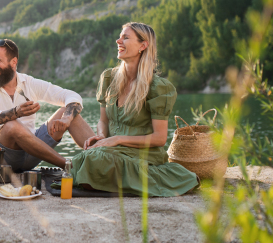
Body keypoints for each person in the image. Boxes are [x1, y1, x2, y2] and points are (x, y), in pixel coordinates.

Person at [72, 22, 199, 197]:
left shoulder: (157, 87)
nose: (118, 41)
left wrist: (117, 139)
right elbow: (103, 120)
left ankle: (154, 177)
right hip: (113, 151)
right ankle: (120, 181)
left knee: (94, 160)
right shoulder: (109, 78)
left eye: (125, 37)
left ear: (143, 45)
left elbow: (160, 138)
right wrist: (101, 136)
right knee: (82, 158)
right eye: (119, 36)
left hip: (143, 154)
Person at [0, 39, 95, 171]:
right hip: (4, 156)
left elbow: (71, 95)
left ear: (13, 62)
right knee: (11, 125)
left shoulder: (28, 82)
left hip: (33, 153)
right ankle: (68, 166)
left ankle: (102, 159)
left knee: (70, 112)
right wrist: (15, 112)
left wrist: (67, 118)